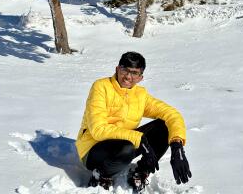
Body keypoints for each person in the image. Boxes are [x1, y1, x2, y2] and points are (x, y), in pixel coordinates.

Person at [76, 52, 192, 192]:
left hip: (125, 143)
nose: (128, 76)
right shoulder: (101, 87)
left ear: (140, 77)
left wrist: (176, 145)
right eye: (125, 69)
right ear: (117, 69)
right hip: (92, 149)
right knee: (127, 147)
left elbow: (172, 114)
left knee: (164, 127)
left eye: (134, 73)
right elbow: (98, 129)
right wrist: (139, 139)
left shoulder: (140, 95)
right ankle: (101, 175)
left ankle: (141, 172)